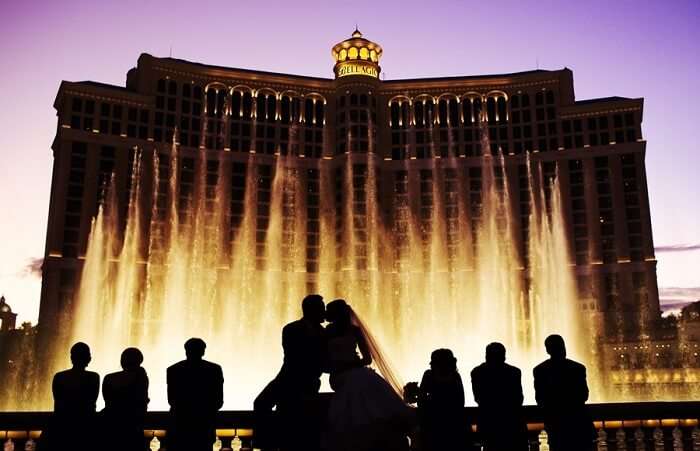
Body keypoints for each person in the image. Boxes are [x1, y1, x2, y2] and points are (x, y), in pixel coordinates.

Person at [325, 299, 412, 451]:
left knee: (361, 379)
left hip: (353, 369)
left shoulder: (355, 331)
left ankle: (366, 426)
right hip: (339, 374)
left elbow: (367, 358)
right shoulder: (327, 332)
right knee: (361, 380)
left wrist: (351, 364)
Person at [254, 294, 327, 451]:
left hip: (306, 381)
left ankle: (276, 441)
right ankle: (267, 443)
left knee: (288, 414)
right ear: (311, 310)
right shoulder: (292, 329)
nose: (324, 312)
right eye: (322, 308)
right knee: (261, 403)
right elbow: (293, 355)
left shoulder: (323, 333)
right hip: (288, 378)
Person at [533, 334, 595, 451]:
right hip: (579, 424)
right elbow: (584, 395)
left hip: (556, 426)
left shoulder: (540, 370)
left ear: (547, 350)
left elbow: (540, 399)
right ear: (563, 347)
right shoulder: (578, 368)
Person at [167, 338, 224, 451]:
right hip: (204, 424)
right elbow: (218, 400)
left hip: (180, 424)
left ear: (186, 351)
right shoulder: (214, 369)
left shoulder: (173, 370)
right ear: (203, 351)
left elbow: (172, 399)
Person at [470, 343, 528, 451]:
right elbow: (518, 398)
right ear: (504, 356)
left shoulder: (477, 372)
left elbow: (479, 398)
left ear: (486, 356)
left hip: (489, 423)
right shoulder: (514, 372)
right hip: (513, 424)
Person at [44, 342, 100, 451]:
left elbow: (58, 403)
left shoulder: (59, 377)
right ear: (88, 358)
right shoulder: (93, 377)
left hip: (63, 427)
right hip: (85, 428)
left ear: (71, 357)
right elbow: (91, 402)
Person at [418, 349, 471, 451]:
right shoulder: (455, 376)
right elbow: (460, 401)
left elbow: (421, 399)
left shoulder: (429, 375)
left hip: (433, 424)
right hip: (453, 424)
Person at [102, 347, 149, 451]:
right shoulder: (141, 377)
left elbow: (107, 400)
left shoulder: (109, 378)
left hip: (112, 424)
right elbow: (142, 402)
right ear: (139, 361)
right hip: (132, 425)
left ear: (122, 361)